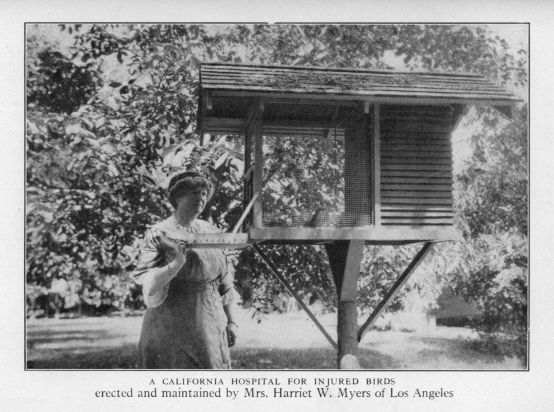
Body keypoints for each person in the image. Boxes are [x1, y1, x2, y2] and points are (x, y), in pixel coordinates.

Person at [133, 171, 239, 369]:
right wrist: (176, 264)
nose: (201, 198)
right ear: (178, 197)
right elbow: (145, 280)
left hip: (209, 317)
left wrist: (232, 321)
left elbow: (225, 280)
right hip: (171, 320)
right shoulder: (160, 232)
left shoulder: (211, 232)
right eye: (194, 192)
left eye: (204, 193)